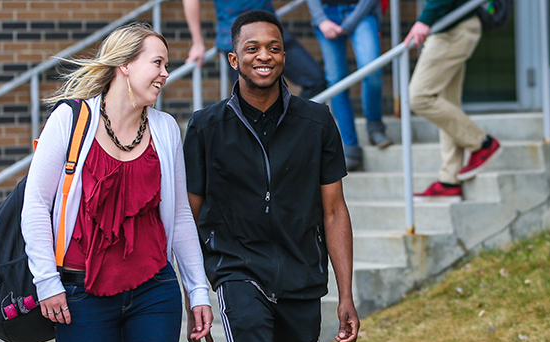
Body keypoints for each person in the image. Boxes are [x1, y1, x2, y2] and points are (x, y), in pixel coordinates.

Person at [21, 23, 213, 342]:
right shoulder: (70, 120)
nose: (165, 73)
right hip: (81, 294)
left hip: (155, 290)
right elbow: (35, 203)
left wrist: (197, 290)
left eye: (166, 65)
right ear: (124, 65)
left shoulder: (165, 128)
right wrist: (47, 280)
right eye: (158, 63)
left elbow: (181, 214)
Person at [183, 10, 360, 342]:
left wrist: (345, 295)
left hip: (302, 277)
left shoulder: (317, 122)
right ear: (234, 59)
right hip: (238, 273)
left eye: (274, 48)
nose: (264, 56)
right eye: (252, 48)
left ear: (284, 56)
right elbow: (188, 216)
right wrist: (195, 300)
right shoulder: (206, 127)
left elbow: (335, 210)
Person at [405, 0, 502, 202]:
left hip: (452, 30)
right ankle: (449, 179)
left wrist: (424, 20)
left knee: (420, 97)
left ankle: (482, 142)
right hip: (450, 26)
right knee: (447, 101)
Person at [307, 0, 392, 171]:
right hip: (326, 15)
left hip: (362, 12)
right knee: (336, 82)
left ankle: (375, 126)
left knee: (372, 71)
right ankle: (350, 146)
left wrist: (350, 22)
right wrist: (321, 19)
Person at [183, 0, 327, 100]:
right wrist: (197, 42)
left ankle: (289, 128)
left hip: (271, 31)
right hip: (238, 38)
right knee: (249, 100)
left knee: (316, 79)